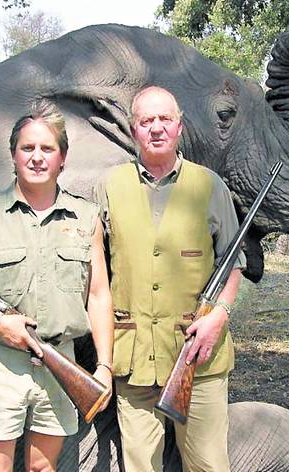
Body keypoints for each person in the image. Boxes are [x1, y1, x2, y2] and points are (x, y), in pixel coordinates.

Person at [0, 101, 114, 472]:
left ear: (62, 158)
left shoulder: (86, 218)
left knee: (42, 469)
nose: (37, 157)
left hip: (60, 361)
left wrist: (104, 366)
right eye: (28, 148)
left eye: (47, 148)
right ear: (14, 155)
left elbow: (99, 295)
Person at [95, 86, 244, 471]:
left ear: (179, 126)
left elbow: (233, 264)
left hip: (198, 355)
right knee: (139, 466)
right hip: (134, 357)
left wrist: (219, 315)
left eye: (165, 119)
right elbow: (95, 272)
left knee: (208, 465)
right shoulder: (108, 186)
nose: (156, 128)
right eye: (147, 121)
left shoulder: (210, 186)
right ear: (134, 130)